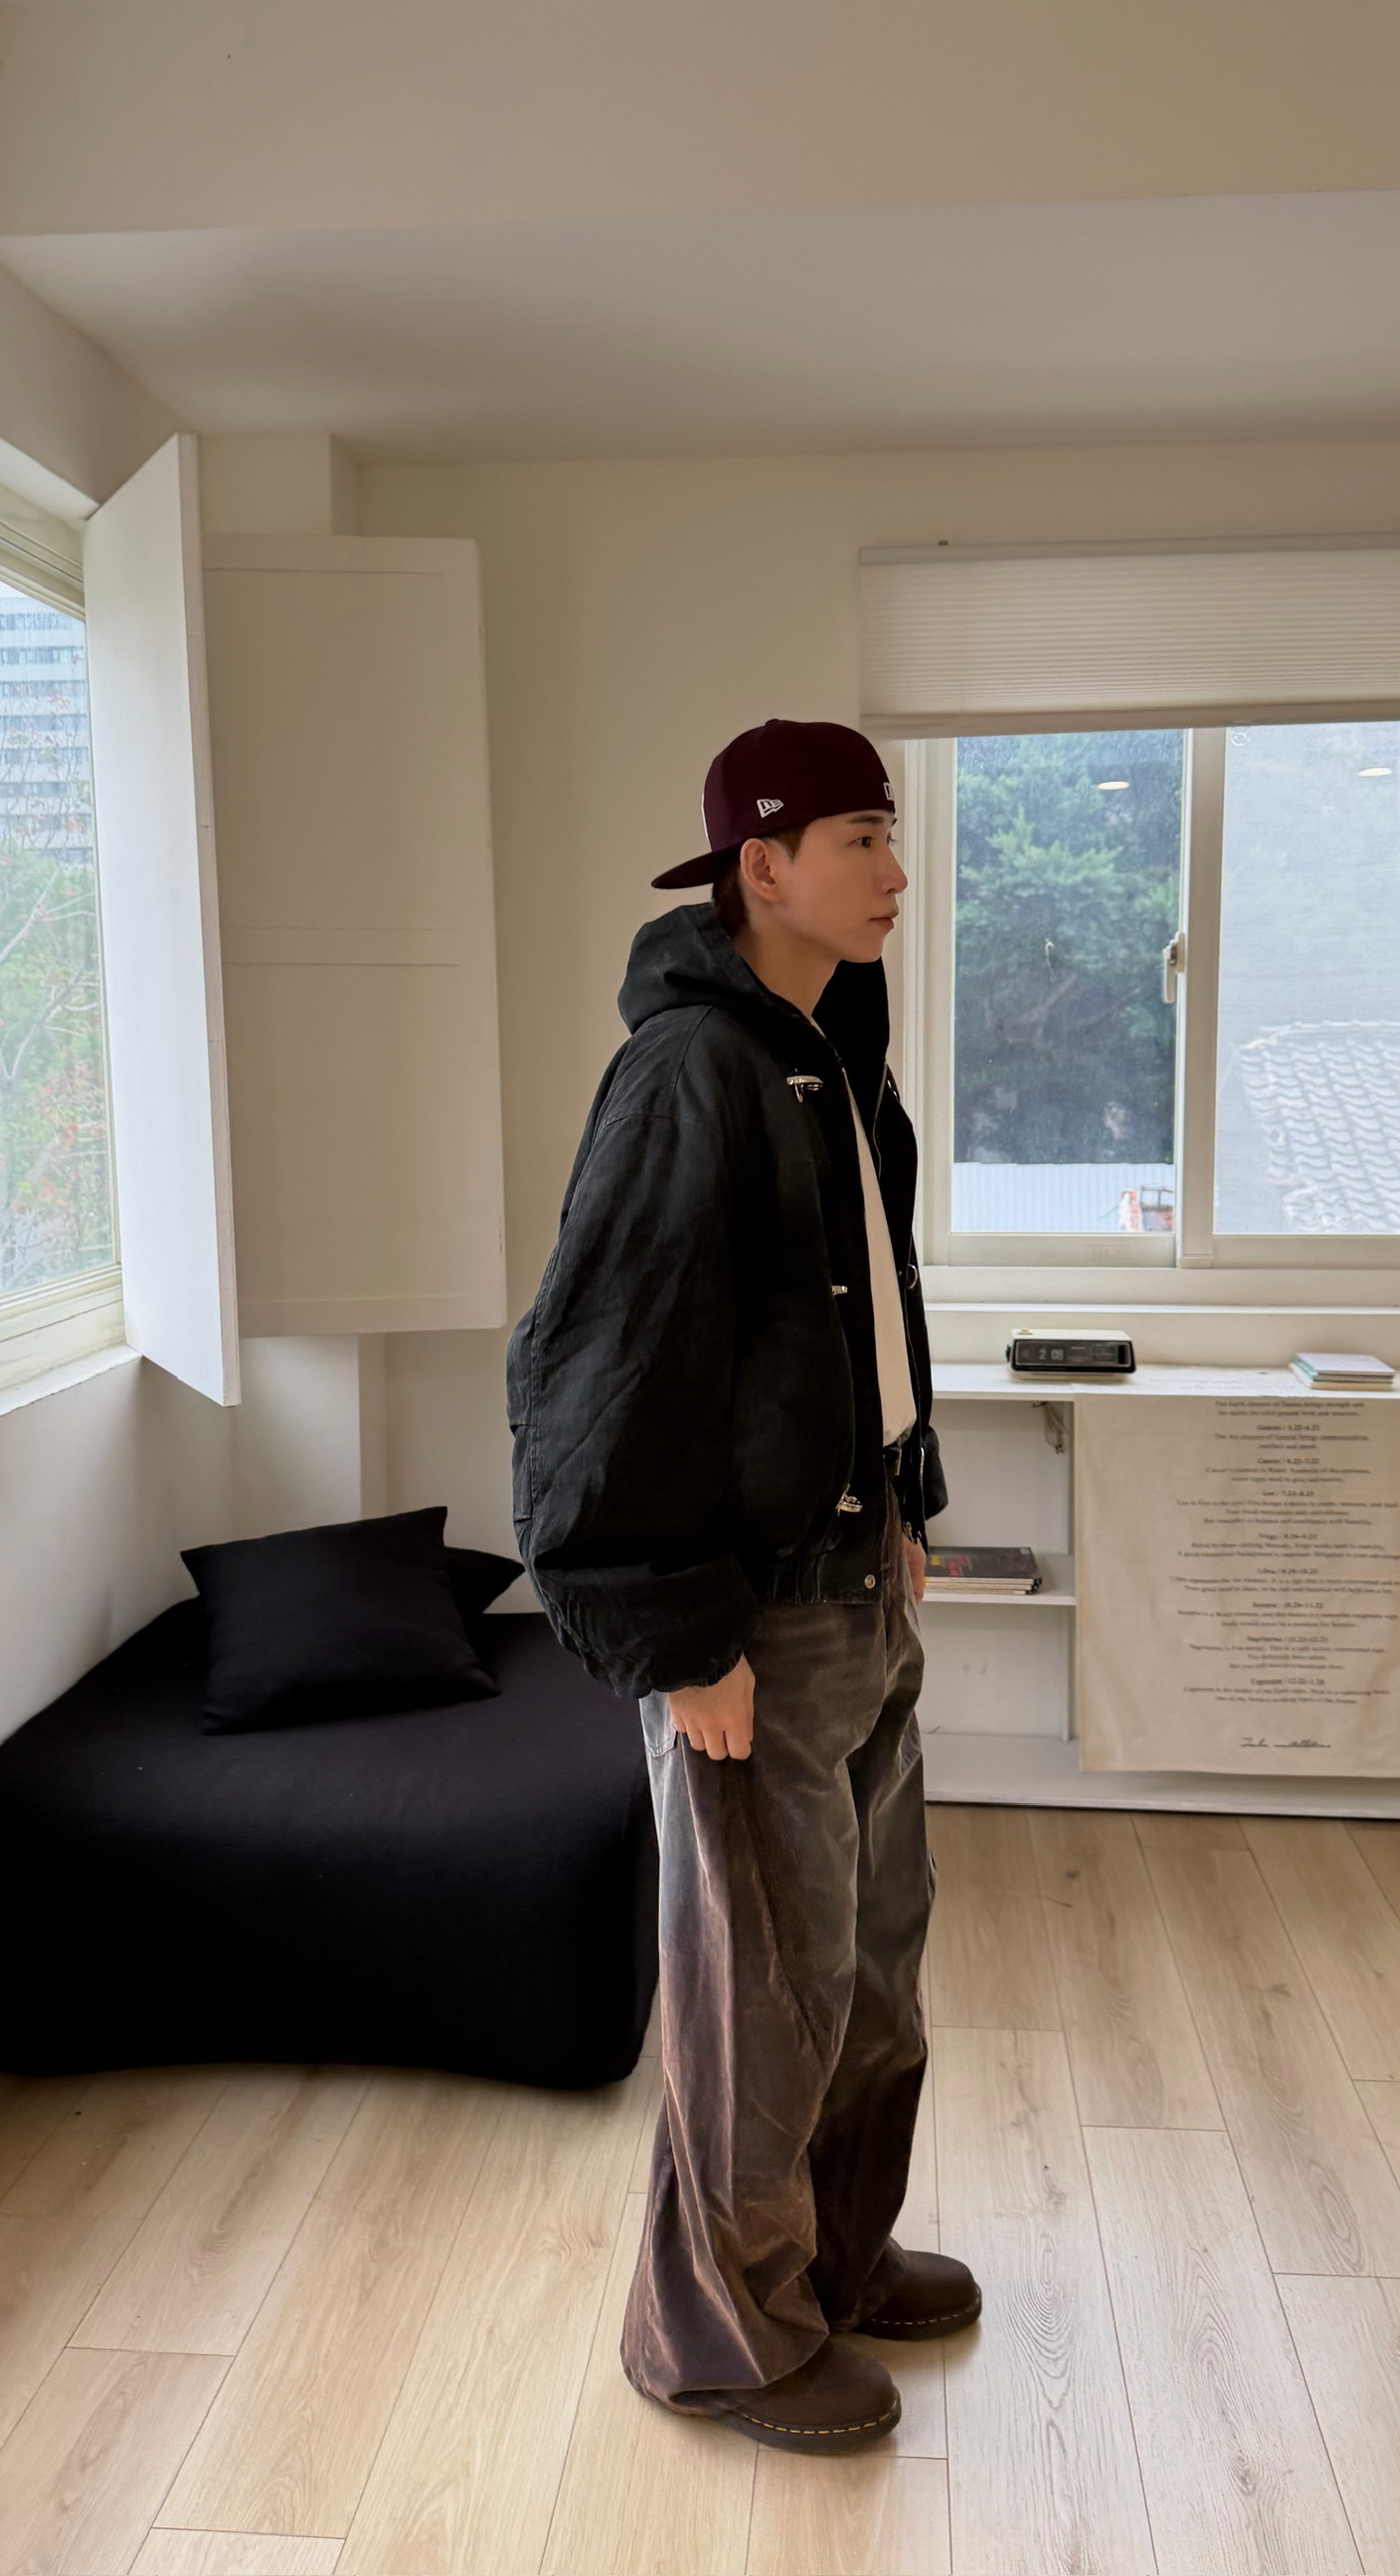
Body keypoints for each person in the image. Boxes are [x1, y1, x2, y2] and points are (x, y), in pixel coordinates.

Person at [507, 717, 979, 2453]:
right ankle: (716, 2334)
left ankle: (828, 2258)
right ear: (760, 864)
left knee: (872, 1966)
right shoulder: (687, 1076)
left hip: (860, 1587)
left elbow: (869, 1316)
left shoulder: (830, 1056)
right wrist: (680, 1635)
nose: (897, 871)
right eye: (861, 837)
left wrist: (903, 1495)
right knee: (759, 1995)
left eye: (891, 834)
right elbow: (598, 1374)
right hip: (751, 1625)